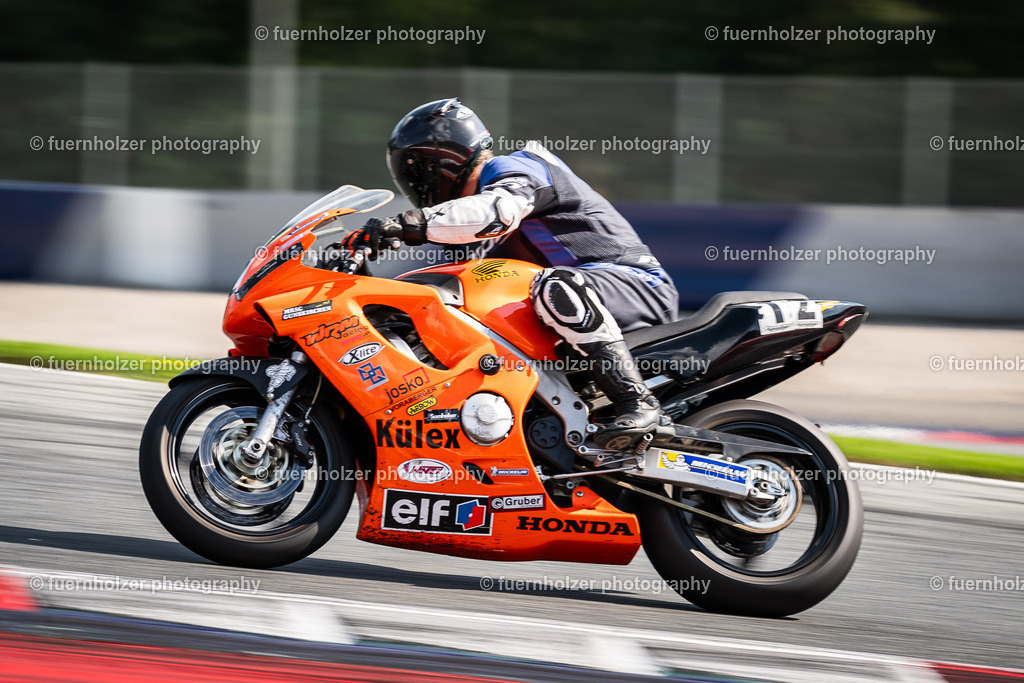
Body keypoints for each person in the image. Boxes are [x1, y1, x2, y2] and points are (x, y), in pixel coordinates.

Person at [342, 98, 679, 449]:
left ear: (438, 165)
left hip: (633, 285)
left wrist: (406, 225)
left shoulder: (517, 168)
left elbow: (498, 210)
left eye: (414, 172)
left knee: (556, 285)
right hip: (565, 319)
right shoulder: (465, 238)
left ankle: (639, 403)